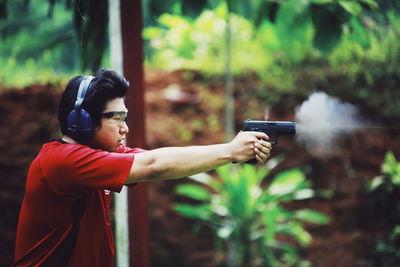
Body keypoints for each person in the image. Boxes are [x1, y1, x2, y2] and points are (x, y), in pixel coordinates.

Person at [13, 68, 271, 266]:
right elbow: (153, 166)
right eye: (116, 118)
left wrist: (231, 154)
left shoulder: (101, 156)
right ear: (81, 121)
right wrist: (229, 150)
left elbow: (160, 161)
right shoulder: (62, 160)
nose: (125, 128)